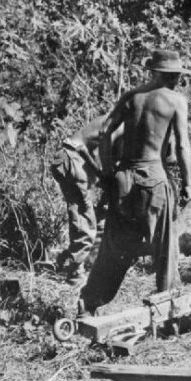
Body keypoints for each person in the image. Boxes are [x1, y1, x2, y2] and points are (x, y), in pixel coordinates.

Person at [78, 49, 191, 316]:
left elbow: (106, 130)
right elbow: (184, 146)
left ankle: (89, 302)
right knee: (165, 246)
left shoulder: (132, 97)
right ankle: (169, 308)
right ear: (168, 75)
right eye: (175, 75)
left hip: (124, 178)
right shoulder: (176, 101)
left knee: (114, 246)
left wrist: (108, 171)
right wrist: (187, 183)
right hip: (154, 179)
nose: (177, 79)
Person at [50, 115, 123, 284]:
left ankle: (73, 258)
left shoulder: (116, 120)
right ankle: (75, 273)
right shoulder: (120, 124)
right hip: (73, 158)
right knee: (84, 217)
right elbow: (101, 156)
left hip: (68, 157)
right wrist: (103, 176)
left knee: (83, 213)